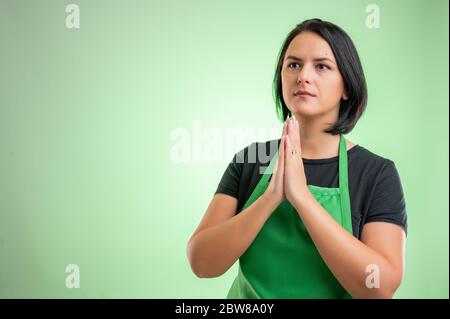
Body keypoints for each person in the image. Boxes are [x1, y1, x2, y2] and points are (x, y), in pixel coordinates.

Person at [186, 18, 407, 299]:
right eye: (293, 65)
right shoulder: (252, 160)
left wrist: (301, 198)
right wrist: (269, 199)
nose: (303, 76)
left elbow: (379, 287)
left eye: (322, 66)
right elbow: (202, 263)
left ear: (347, 87)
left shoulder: (375, 173)